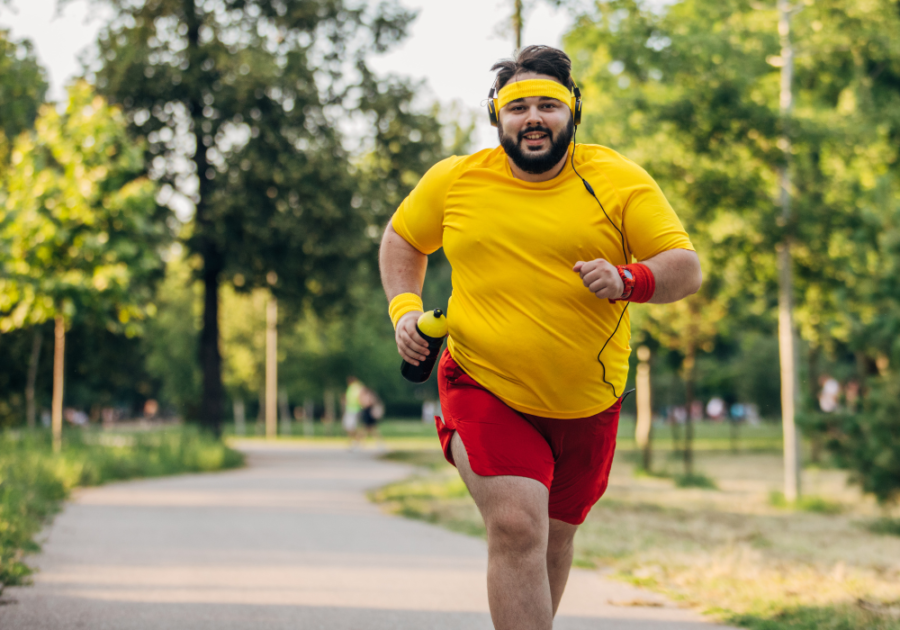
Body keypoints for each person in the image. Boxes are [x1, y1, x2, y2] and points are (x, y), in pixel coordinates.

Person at [379, 45, 701, 630]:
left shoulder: (617, 179)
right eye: (516, 106)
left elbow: (685, 265)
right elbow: (403, 239)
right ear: (496, 117)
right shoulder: (455, 181)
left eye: (548, 106)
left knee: (553, 538)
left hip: (587, 400)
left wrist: (631, 278)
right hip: (482, 381)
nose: (533, 117)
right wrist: (404, 310)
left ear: (573, 112)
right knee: (517, 525)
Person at [342, 375, 365, 444]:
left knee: (349, 426)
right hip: (351, 409)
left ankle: (355, 440)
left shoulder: (356, 387)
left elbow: (360, 397)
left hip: (354, 409)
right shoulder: (353, 387)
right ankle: (356, 439)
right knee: (349, 426)